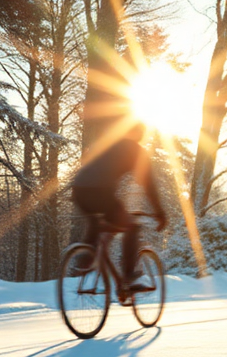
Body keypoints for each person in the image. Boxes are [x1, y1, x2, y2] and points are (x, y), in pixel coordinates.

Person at [69, 123, 168, 303]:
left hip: (79, 190)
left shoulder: (107, 143)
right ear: (140, 136)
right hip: (101, 192)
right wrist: (160, 212)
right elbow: (149, 185)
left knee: (98, 222)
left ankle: (87, 257)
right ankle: (129, 277)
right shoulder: (136, 151)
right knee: (131, 226)